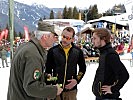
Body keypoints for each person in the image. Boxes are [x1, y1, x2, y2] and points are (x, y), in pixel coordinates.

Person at [7, 21, 63, 100]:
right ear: (45, 36)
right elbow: (31, 87)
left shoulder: (27, 47)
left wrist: (44, 76)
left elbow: (24, 74)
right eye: (54, 36)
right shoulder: (33, 55)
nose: (56, 40)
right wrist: (54, 90)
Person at [45, 27, 86, 100]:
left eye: (67, 38)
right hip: (56, 90)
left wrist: (76, 80)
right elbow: (48, 72)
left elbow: (83, 68)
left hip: (71, 91)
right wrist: (50, 86)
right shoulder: (52, 51)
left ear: (72, 39)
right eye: (63, 37)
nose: (64, 40)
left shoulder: (78, 52)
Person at [91, 28, 129, 100]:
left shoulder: (110, 55)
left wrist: (113, 89)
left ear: (103, 39)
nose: (93, 41)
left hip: (108, 97)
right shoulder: (104, 53)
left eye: (95, 38)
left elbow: (124, 75)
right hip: (102, 96)